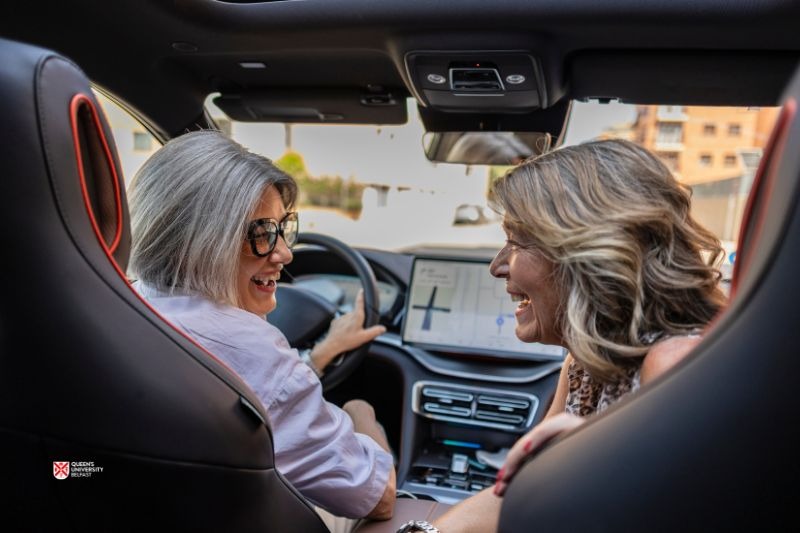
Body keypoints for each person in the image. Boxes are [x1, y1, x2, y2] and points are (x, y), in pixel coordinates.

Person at [410, 139, 727, 533]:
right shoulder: (583, 360)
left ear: (585, 253)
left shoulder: (673, 363)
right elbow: (514, 495)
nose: (496, 267)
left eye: (516, 241)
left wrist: (603, 465)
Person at [127, 130, 396, 524]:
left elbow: (248, 393)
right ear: (204, 242)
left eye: (282, 229)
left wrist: (320, 355)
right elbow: (376, 495)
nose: (284, 254)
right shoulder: (249, 344)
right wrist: (363, 418)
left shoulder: (123, 304)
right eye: (262, 234)